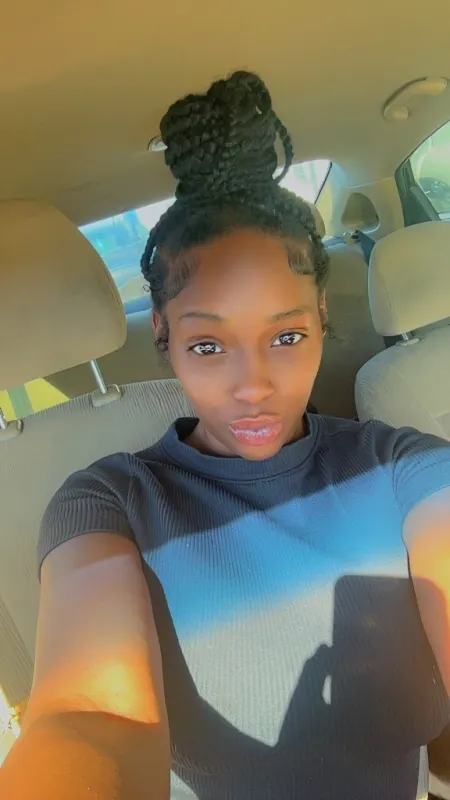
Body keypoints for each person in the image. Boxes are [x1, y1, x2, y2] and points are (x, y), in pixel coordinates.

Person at [2, 71, 450, 800]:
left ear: (322, 321)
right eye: (208, 345)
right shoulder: (107, 503)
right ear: (164, 335)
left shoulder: (403, 467)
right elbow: (90, 714)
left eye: (287, 336)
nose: (252, 385)